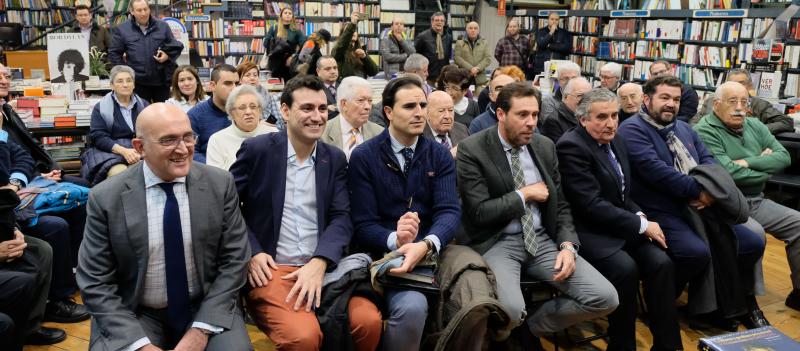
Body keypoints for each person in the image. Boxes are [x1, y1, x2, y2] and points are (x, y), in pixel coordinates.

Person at [77, 103, 252, 351]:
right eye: (168, 140)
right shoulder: (106, 197)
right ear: (140, 147)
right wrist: (139, 345)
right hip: (135, 311)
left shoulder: (219, 184)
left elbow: (235, 260)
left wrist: (202, 329)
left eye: (188, 137)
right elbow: (95, 280)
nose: (183, 149)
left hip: (205, 305)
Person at [456, 81, 617, 347]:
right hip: (497, 240)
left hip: (541, 239)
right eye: (522, 115)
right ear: (500, 114)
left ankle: (530, 328)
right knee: (509, 309)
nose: (531, 122)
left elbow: (562, 204)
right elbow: (479, 212)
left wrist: (567, 245)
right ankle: (511, 327)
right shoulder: (473, 149)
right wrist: (525, 194)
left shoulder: (544, 146)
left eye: (534, 114)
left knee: (605, 297)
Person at [230, 75, 382, 351]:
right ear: (285, 111)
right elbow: (228, 208)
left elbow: (341, 216)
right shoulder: (258, 151)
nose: (317, 116)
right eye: (307, 108)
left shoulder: (333, 158)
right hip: (273, 267)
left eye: (323, 109)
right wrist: (252, 250)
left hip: (325, 266)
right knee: (304, 337)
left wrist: (320, 261)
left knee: (368, 323)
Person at [618, 76, 768, 329]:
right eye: (664, 98)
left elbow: (709, 161)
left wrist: (708, 193)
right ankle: (663, 301)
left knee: (752, 242)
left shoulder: (684, 128)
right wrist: (703, 192)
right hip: (661, 208)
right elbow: (658, 173)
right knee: (695, 253)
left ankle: (727, 303)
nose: (671, 105)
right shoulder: (632, 130)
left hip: (702, 206)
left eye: (676, 99)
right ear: (647, 99)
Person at [556, 88, 682, 351]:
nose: (611, 122)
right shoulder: (571, 146)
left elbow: (624, 194)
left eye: (614, 115)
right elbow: (589, 205)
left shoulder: (617, 139)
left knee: (662, 263)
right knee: (625, 269)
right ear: (583, 119)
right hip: (589, 230)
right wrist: (642, 224)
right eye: (602, 117)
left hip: (620, 224)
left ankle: (669, 346)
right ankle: (622, 346)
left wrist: (639, 215)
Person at [349, 76, 461, 351]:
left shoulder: (439, 155)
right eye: (410, 106)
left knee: (470, 300)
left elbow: (449, 211)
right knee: (412, 309)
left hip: (431, 252)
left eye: (423, 104)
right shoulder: (364, 156)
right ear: (388, 112)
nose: (419, 112)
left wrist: (425, 244)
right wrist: (395, 240)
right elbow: (362, 224)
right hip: (384, 257)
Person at [694, 81, 800, 312]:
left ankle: (799, 293)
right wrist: (764, 166)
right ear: (716, 104)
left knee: (799, 224)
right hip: (724, 204)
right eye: (733, 102)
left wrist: (748, 162)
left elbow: (784, 158)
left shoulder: (754, 125)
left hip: (756, 199)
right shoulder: (704, 130)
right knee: (755, 234)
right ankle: (748, 302)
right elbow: (726, 175)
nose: (740, 108)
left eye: (744, 101)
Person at [81, 65, 148, 184]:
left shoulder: (143, 105)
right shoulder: (101, 108)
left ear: (134, 84)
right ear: (111, 85)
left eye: (129, 80)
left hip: (139, 150)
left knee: (144, 171)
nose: (125, 84)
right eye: (120, 81)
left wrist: (140, 151)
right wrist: (124, 151)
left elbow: (151, 131)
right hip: (111, 151)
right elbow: (98, 137)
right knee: (119, 173)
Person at [108, 0, 183, 103]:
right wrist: (125, 73)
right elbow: (114, 53)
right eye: (139, 10)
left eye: (145, 9)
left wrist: (167, 55)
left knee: (162, 114)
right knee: (140, 114)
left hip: (161, 81)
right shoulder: (122, 29)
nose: (143, 13)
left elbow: (174, 46)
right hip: (137, 83)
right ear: (132, 12)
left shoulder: (162, 26)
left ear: (149, 9)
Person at [692, 68, 794, 135]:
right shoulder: (711, 101)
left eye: (742, 83)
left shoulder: (759, 104)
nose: (737, 86)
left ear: (750, 85)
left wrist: (757, 130)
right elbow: (693, 123)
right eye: (732, 83)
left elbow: (786, 122)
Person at [206, 85, 276, 170]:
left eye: (253, 107)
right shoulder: (217, 140)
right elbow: (216, 177)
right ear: (231, 113)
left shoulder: (273, 134)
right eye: (242, 108)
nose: (248, 112)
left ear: (260, 110)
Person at [320, 76, 384, 160]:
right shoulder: (322, 133)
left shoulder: (379, 133)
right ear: (344, 104)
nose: (368, 107)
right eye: (361, 100)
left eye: (370, 101)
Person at [188, 64, 239, 163]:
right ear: (212, 86)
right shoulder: (195, 116)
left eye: (237, 83)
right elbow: (191, 151)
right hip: (211, 172)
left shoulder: (244, 111)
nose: (234, 89)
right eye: (228, 83)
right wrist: (215, 166)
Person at [540, 77, 592, 142]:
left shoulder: (589, 116)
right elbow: (563, 149)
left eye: (589, 96)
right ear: (566, 97)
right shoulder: (553, 121)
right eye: (580, 95)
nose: (585, 100)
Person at [236, 62, 284, 129]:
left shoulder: (266, 94)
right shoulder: (235, 97)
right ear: (240, 80)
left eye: (255, 75)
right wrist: (257, 124)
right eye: (247, 75)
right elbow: (235, 123)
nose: (252, 78)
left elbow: (278, 119)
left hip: (270, 131)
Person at [264, 7, 306, 82]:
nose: (287, 15)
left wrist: (294, 56)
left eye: (290, 13)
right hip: (275, 63)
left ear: (292, 16)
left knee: (290, 85)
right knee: (276, 86)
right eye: (285, 13)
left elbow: (304, 44)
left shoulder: (296, 30)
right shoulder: (273, 28)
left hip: (289, 62)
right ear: (281, 15)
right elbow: (266, 43)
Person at [333, 13, 380, 79]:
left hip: (361, 85)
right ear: (343, 35)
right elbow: (342, 45)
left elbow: (373, 72)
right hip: (347, 86)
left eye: (354, 31)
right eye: (350, 31)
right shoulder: (339, 50)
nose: (353, 32)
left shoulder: (360, 49)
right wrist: (352, 24)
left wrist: (364, 57)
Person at [423, 91, 467, 159]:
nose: (447, 116)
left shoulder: (462, 130)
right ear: (427, 113)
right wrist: (449, 155)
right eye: (441, 111)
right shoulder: (418, 136)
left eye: (450, 110)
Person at [69, 4, 112, 75]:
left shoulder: (102, 30)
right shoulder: (70, 32)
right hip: (78, 69)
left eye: (86, 15)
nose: (83, 17)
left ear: (90, 15)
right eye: (80, 15)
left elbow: (111, 48)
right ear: (76, 17)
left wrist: (107, 65)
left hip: (99, 69)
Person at [414, 12, 452, 86]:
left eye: (442, 21)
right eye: (437, 20)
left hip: (444, 77)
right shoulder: (423, 37)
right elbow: (416, 56)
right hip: (428, 77)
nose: (439, 22)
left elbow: (448, 56)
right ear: (432, 22)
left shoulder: (448, 37)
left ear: (444, 23)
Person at [454, 21, 490, 95]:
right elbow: (457, 58)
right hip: (464, 78)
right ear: (466, 30)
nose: (473, 30)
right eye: (470, 28)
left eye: (475, 28)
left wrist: (477, 68)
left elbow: (487, 58)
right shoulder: (460, 43)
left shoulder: (484, 43)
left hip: (480, 79)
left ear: (478, 30)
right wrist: (471, 68)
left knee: (479, 100)